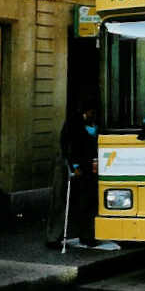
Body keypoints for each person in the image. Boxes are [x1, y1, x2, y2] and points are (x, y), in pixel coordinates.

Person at [46, 105, 99, 248]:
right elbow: (68, 145)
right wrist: (74, 166)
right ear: (84, 111)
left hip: (84, 164)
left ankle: (86, 235)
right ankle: (54, 237)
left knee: (85, 199)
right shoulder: (73, 122)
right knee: (61, 198)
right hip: (68, 162)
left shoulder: (92, 123)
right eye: (91, 111)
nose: (92, 113)